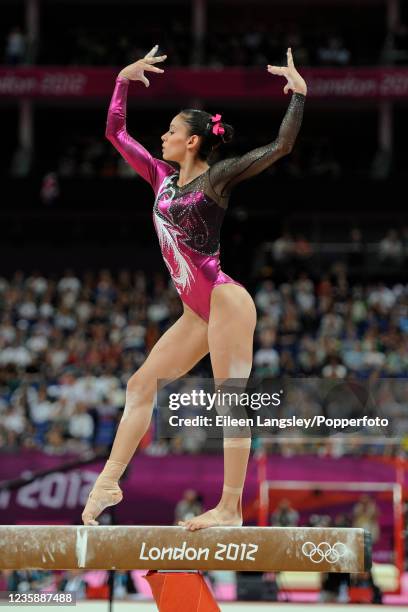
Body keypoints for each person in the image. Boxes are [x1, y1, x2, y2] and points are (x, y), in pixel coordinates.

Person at [82, 44, 307, 530]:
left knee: (230, 398)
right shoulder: (160, 177)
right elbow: (115, 132)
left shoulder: (217, 181)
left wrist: (298, 97)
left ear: (192, 142)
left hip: (225, 299)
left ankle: (231, 506)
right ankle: (108, 480)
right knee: (140, 384)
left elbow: (279, 147)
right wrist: (121, 80)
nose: (162, 136)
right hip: (196, 311)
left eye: (171, 131)